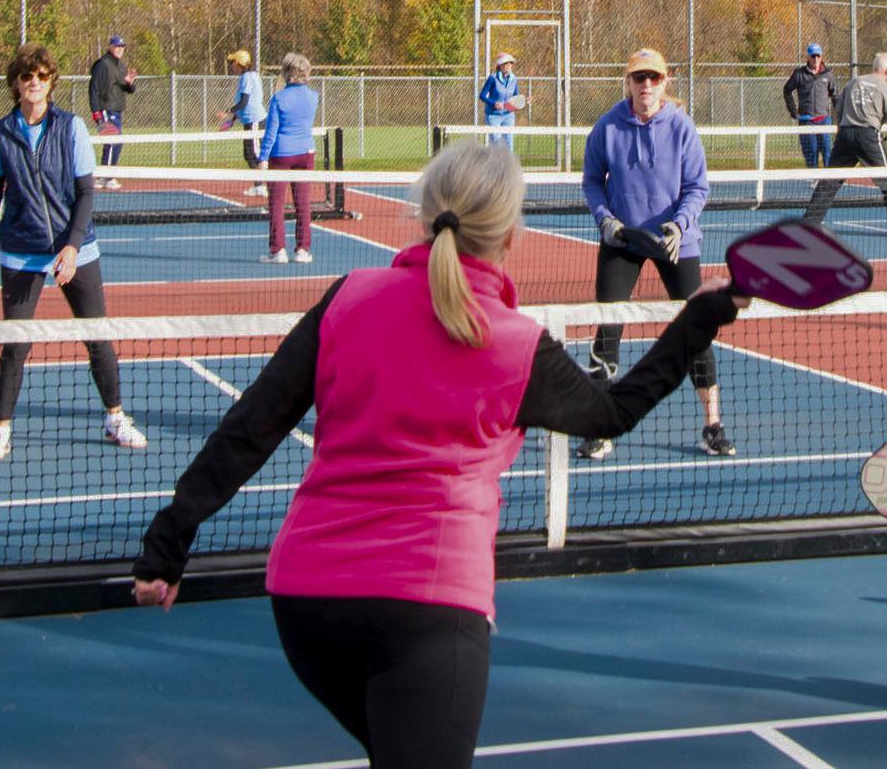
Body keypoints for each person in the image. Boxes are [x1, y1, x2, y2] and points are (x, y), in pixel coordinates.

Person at [132, 142, 745, 767]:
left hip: (306, 604)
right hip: (427, 611)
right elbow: (614, 412)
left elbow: (249, 429)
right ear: (510, 237)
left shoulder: (349, 298)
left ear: (425, 218)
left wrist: (167, 544)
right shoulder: (517, 344)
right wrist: (701, 316)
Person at [0, 44, 146, 462]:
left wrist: (72, 246)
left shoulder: (71, 127)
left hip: (76, 249)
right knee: (15, 344)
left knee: (97, 336)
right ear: (15, 83)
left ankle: (115, 417)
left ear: (51, 82)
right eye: (27, 76)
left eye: (42, 76)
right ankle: (1, 429)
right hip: (21, 252)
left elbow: (85, 192)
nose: (34, 83)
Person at [578, 47, 734, 460]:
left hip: (675, 242)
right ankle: (599, 426)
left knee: (697, 327)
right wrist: (606, 220)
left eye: (654, 78)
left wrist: (678, 226)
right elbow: (592, 181)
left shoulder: (681, 127)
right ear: (628, 82)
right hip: (622, 240)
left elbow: (697, 187)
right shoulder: (607, 126)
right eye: (639, 77)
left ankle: (713, 425)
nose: (646, 85)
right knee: (608, 325)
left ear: (665, 83)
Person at [801, 51, 887, 236]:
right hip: (867, 136)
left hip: (845, 135)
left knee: (829, 181)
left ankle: (808, 224)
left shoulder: (853, 83)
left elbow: (839, 109)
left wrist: (842, 133)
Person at [258, 52, 320, 264]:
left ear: (286, 72)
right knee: (302, 203)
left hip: (280, 155)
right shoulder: (313, 96)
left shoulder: (278, 99)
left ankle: (277, 251)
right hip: (306, 154)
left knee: (276, 204)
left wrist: (263, 158)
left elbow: (271, 132)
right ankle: (303, 250)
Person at [88, 34, 137, 190]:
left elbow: (129, 89)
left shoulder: (121, 66)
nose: (120, 49)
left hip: (117, 110)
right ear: (110, 47)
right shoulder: (102, 64)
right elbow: (93, 88)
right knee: (111, 141)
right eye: (117, 46)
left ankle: (106, 175)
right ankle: (106, 177)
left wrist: (129, 83)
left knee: (116, 143)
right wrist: (96, 112)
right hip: (105, 109)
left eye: (122, 47)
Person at [217, 48, 266, 197]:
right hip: (250, 121)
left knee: (255, 154)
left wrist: (227, 112)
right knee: (248, 154)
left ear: (239, 64)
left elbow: (244, 102)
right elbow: (246, 104)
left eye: (233, 62)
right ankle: (259, 185)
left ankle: (263, 185)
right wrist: (232, 120)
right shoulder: (251, 76)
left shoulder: (247, 78)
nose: (231, 65)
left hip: (255, 121)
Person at [782, 42, 838, 168]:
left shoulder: (828, 74)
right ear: (808, 57)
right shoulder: (799, 74)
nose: (816, 59)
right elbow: (787, 90)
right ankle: (813, 176)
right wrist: (793, 111)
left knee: (827, 152)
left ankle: (828, 178)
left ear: (821, 56)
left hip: (824, 120)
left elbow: (835, 95)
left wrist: (840, 114)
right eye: (813, 56)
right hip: (806, 121)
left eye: (818, 56)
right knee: (811, 153)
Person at [478, 51, 521, 148]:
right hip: (493, 116)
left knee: (509, 144)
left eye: (510, 63)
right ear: (500, 65)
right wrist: (494, 103)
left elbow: (516, 97)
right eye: (506, 63)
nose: (509, 66)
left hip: (508, 116)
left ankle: (508, 159)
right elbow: (482, 96)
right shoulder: (492, 78)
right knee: (496, 144)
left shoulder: (514, 79)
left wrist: (524, 101)